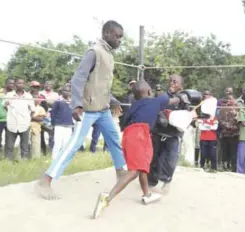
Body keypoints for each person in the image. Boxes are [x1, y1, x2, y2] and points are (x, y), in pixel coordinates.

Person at [36, 20, 126, 200]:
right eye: (117, 36)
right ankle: (46, 180)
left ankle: (121, 174)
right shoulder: (94, 52)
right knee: (73, 145)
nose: (119, 40)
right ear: (106, 33)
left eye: (121, 38)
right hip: (88, 110)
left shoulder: (109, 55)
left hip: (103, 109)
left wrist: (114, 100)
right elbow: (78, 79)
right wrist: (76, 104)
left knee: (115, 141)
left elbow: (100, 86)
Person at [92, 80, 184, 219]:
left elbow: (125, 123)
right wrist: (181, 96)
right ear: (148, 92)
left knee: (142, 166)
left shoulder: (134, 106)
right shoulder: (156, 101)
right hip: (140, 134)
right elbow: (174, 100)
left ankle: (146, 195)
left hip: (129, 135)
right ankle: (107, 198)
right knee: (134, 172)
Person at [148, 74, 193, 193]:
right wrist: (160, 116)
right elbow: (154, 109)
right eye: (171, 81)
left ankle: (167, 181)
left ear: (181, 85)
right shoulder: (161, 96)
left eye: (175, 82)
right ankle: (151, 183)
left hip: (173, 134)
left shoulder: (184, 99)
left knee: (171, 159)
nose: (172, 83)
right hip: (158, 132)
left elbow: (188, 116)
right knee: (154, 158)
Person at [3, 79, 35, 161]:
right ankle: (8, 161)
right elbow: (4, 105)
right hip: (12, 123)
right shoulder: (9, 95)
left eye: (22, 83)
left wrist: (28, 119)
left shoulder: (28, 96)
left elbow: (33, 110)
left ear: (24, 85)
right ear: (15, 84)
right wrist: (11, 114)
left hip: (24, 124)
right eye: (18, 83)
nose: (20, 85)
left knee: (24, 146)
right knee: (9, 145)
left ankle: (24, 160)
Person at [50, 86, 73, 160]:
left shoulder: (71, 101)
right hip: (59, 125)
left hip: (69, 125)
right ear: (62, 91)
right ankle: (54, 159)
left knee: (66, 144)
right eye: (65, 91)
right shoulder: (58, 101)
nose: (67, 92)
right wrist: (53, 124)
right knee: (57, 143)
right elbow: (53, 113)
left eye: (69, 91)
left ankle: (63, 159)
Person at [217, 94, 239, 171]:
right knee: (225, 150)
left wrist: (233, 127)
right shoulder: (223, 109)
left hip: (234, 133)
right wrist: (227, 126)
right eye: (228, 99)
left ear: (234, 99)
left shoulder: (238, 108)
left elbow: (240, 119)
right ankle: (224, 165)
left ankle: (233, 167)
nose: (230, 100)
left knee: (233, 151)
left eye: (231, 99)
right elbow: (220, 120)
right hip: (225, 133)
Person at [30, 93, 47, 159]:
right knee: (23, 144)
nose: (36, 100)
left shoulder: (41, 108)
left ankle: (36, 159)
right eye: (34, 98)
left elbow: (41, 119)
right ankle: (21, 158)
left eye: (37, 99)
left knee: (36, 144)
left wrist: (31, 116)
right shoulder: (27, 107)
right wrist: (35, 117)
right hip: (26, 127)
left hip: (36, 128)